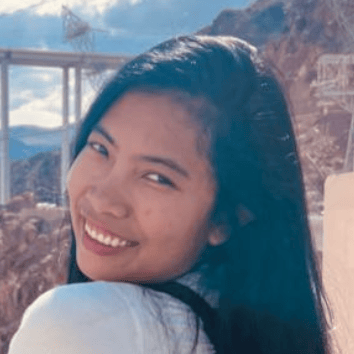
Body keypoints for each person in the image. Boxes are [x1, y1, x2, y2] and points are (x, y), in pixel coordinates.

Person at [8, 35, 331, 354]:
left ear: (225, 217)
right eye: (100, 148)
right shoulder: (250, 327)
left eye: (156, 177)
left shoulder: (75, 327)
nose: (104, 199)